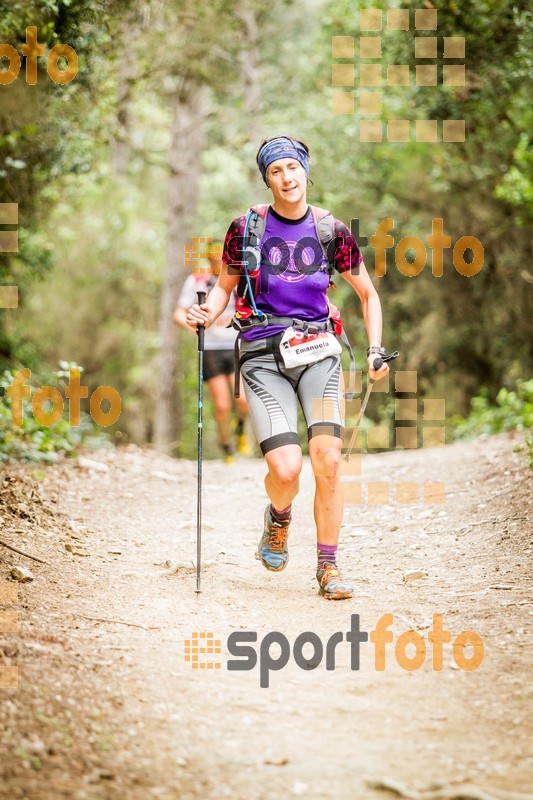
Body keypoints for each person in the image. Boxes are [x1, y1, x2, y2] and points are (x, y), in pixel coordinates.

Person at [185, 136, 390, 599]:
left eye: (292, 169)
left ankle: (328, 567)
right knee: (285, 469)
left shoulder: (330, 230)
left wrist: (376, 349)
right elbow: (224, 288)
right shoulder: (246, 228)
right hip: (261, 354)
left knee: (329, 462)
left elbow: (368, 295)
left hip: (319, 352)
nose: (287, 178)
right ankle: (278, 519)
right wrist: (208, 314)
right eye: (276, 172)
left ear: (304, 171)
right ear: (267, 179)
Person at [174, 241, 249, 462]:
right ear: (207, 259)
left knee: (243, 401)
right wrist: (193, 327)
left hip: (236, 346)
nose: (217, 262)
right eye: (213, 258)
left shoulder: (240, 278)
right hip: (211, 349)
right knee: (222, 404)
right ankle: (226, 446)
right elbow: (179, 312)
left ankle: (241, 430)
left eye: (221, 258)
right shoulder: (198, 280)